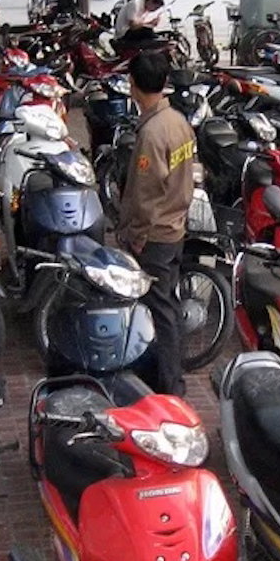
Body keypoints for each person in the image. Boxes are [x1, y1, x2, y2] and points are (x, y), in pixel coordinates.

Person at [120, 49, 195, 397]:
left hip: (156, 236)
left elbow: (145, 194)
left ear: (134, 85)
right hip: (175, 226)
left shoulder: (152, 133)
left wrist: (136, 236)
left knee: (161, 312)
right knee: (167, 306)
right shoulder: (178, 122)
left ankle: (170, 387)